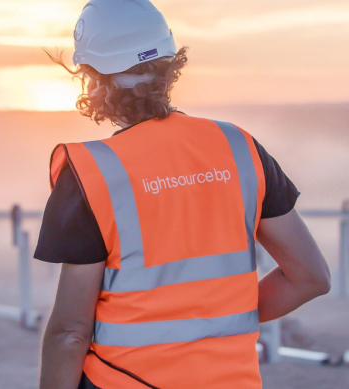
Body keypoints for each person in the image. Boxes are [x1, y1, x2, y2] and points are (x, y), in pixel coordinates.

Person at [35, 1, 331, 388]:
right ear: (168, 67)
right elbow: (310, 277)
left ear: (92, 77)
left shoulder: (90, 172)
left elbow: (70, 332)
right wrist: (213, 322)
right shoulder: (240, 148)